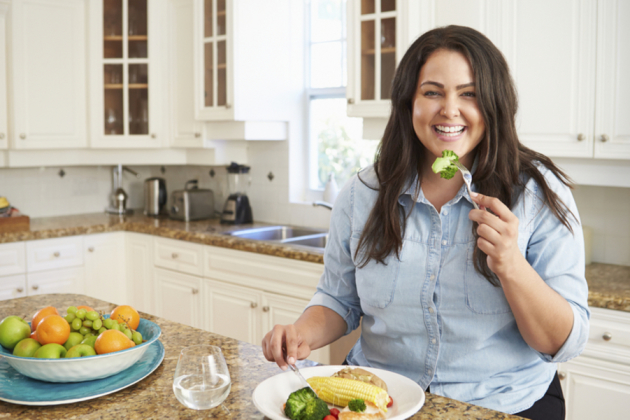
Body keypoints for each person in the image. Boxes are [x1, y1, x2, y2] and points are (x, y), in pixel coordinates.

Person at [261, 25, 589, 419]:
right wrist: (302, 334)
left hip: (503, 403)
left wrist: (511, 265)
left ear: (494, 104)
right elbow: (339, 299)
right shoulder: (361, 193)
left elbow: (562, 343)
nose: (449, 109)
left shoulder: (536, 194)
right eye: (432, 92)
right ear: (408, 103)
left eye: (469, 94)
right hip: (381, 399)